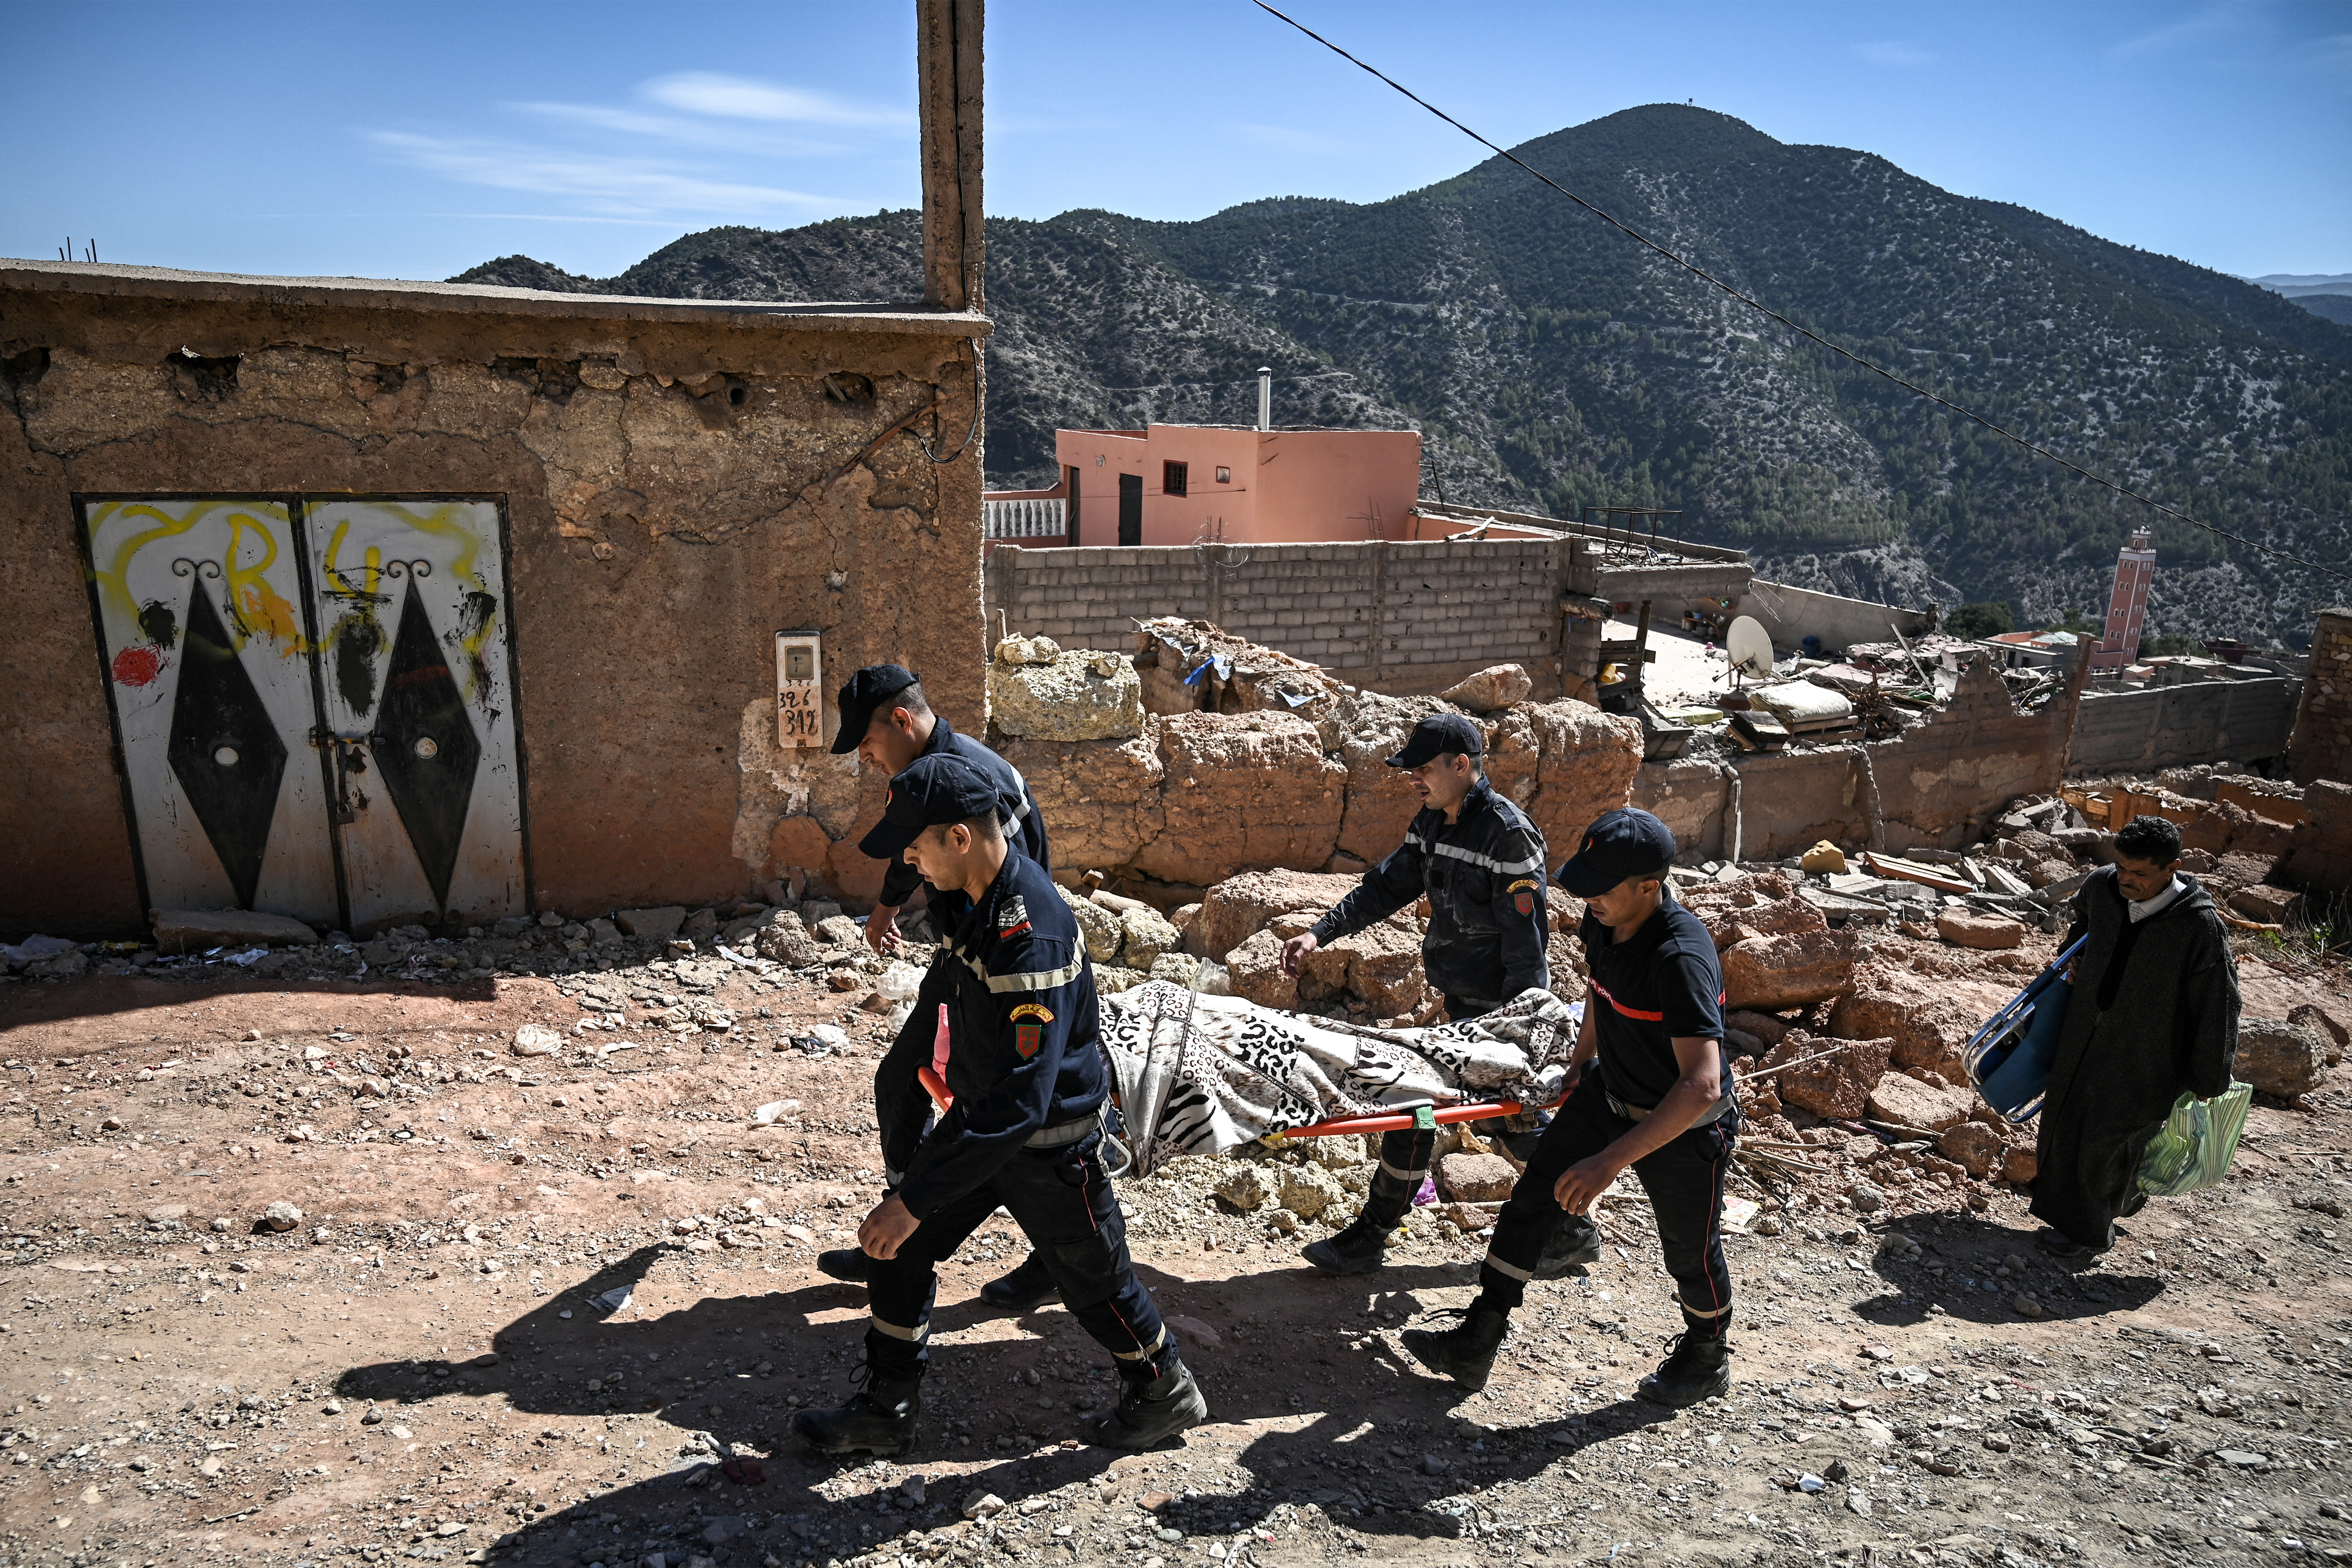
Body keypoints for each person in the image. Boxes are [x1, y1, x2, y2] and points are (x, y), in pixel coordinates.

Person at [791, 753, 1207, 1455]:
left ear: (959, 837)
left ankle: (1163, 1389)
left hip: (1048, 1145)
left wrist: (917, 1192)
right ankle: (886, 1408)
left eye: (916, 844)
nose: (908, 859)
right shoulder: (964, 900)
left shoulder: (1028, 934)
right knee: (898, 1248)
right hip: (984, 1125)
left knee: (1098, 1287)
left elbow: (1024, 1099)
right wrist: (914, 1180)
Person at [1400, 807, 1741, 1408]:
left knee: (1689, 1253)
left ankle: (1706, 1356)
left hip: (1683, 1125)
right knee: (1533, 1199)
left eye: (1602, 889)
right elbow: (1600, 991)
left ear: (1648, 887)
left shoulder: (1680, 959)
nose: (1590, 901)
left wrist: (1609, 1163)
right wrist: (1581, 1062)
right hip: (1608, 1094)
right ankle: (1478, 1337)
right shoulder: (1606, 920)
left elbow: (1701, 1086)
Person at [1278, 713, 1590, 1277]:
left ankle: (1571, 1229)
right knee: (1412, 1110)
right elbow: (1386, 886)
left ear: (1461, 766)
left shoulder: (1508, 835)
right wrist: (1318, 932)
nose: (1413, 779)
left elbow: (1527, 946)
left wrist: (1517, 1033)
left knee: (1510, 1123)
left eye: (1423, 769)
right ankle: (1372, 1237)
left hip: (1498, 1014)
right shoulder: (1433, 823)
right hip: (1458, 1006)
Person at [817, 665, 1061, 1314]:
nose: (866, 759)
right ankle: (900, 1228)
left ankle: (1051, 1258)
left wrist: (985, 981)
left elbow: (1016, 885)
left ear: (901, 720)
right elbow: (908, 846)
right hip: (958, 961)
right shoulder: (922, 776)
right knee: (901, 1082)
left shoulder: (977, 779)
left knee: (1008, 1115)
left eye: (866, 743)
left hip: (1000, 971)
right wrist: (887, 907)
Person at [2030, 813, 2238, 1258]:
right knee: (2065, 1124)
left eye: (2140, 873)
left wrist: (2209, 1077)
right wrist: (2078, 959)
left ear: (2172, 868)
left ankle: (2087, 1232)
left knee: (2106, 1139)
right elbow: (2082, 923)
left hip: (2149, 1056)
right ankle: (2095, 1207)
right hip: (2086, 1035)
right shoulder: (2103, 886)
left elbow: (2218, 1002)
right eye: (2123, 867)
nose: (2127, 879)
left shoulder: (2198, 925)